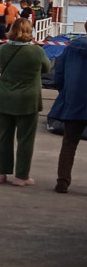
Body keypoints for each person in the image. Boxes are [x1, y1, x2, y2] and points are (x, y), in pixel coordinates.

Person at [0, 18, 51, 186]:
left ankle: (0, 173)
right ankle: (21, 176)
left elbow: (0, 69)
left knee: (2, 137)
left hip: (5, 98)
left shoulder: (3, 50)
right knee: (25, 139)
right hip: (28, 99)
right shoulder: (37, 51)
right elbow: (47, 68)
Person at [48, 22, 87, 193]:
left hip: (74, 101)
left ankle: (62, 181)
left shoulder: (71, 47)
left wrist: (65, 92)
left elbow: (59, 73)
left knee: (69, 143)